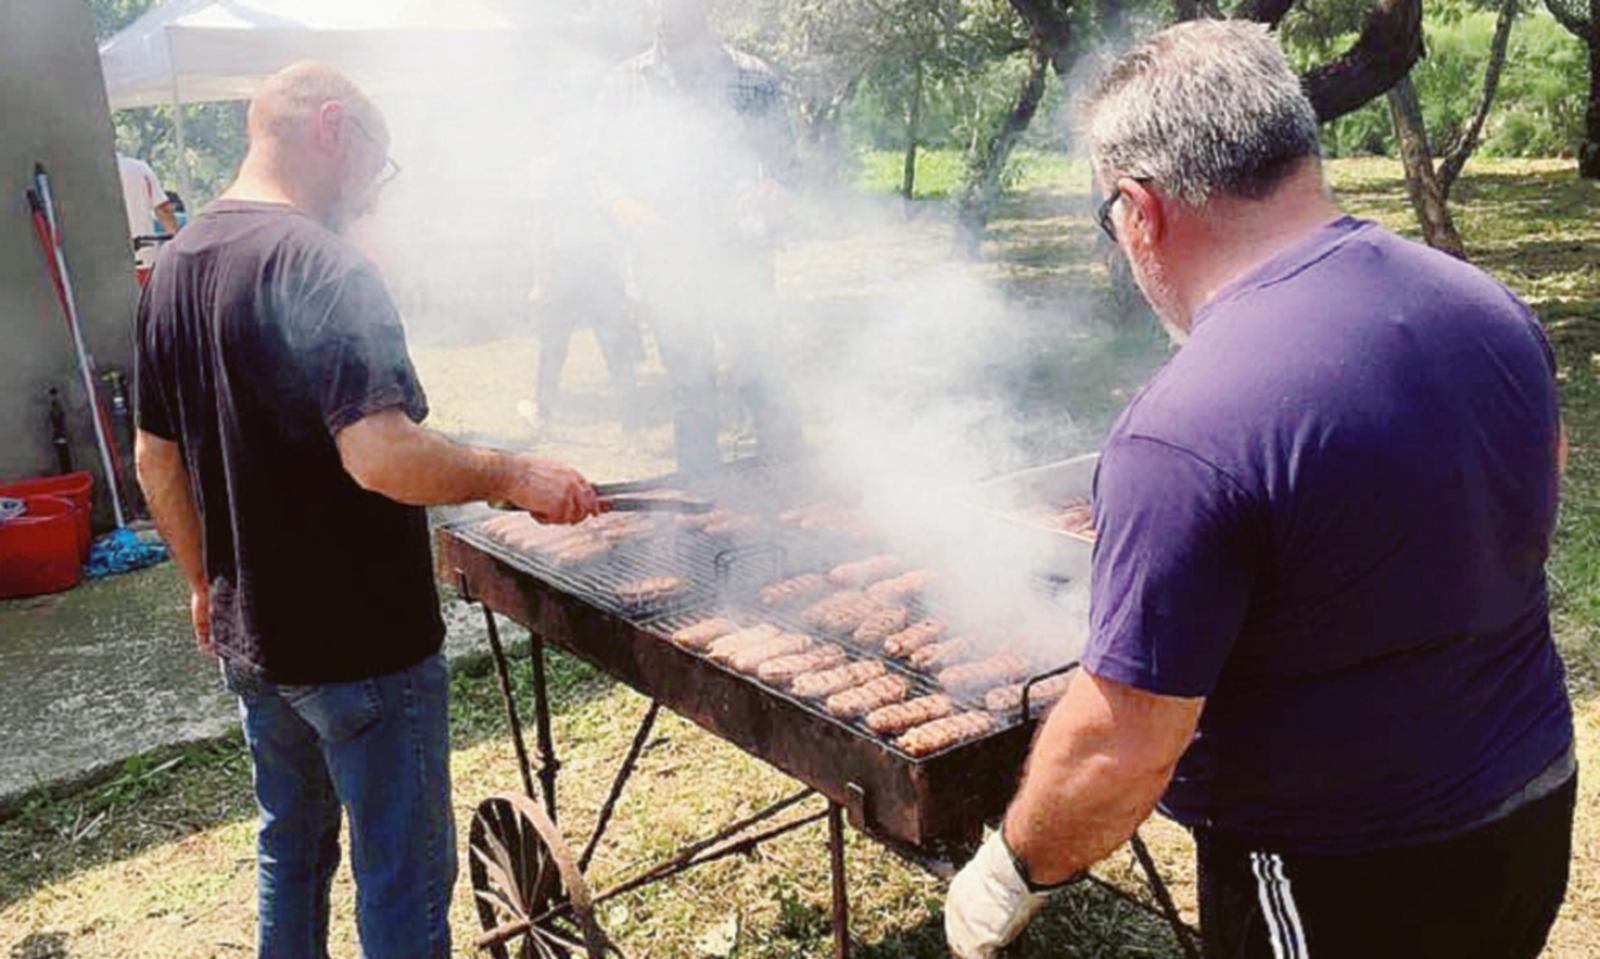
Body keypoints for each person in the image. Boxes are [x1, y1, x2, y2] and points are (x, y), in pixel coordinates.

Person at [945, 22, 1573, 959]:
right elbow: (1535, 494)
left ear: (1138, 210)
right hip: (1531, 803)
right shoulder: (1484, 304)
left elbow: (1125, 747)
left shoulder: (1185, 429)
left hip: (1344, 871)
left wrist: (1010, 872)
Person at [133, 62, 600, 959]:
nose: (372, 198)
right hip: (362, 650)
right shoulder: (325, 263)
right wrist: (515, 474)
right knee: (402, 877)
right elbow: (381, 454)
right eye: (375, 170)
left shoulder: (177, 262)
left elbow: (155, 458)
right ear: (332, 128)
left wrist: (203, 581)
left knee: (292, 854)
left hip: (255, 642)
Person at [594, 0, 801, 470]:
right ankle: (703, 496)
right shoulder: (624, 83)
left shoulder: (753, 77)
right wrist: (625, 207)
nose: (662, 10)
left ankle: (789, 485)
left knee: (761, 373)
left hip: (741, 257)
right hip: (664, 262)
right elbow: (599, 174)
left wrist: (775, 190)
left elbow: (787, 167)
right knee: (689, 386)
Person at [117, 151, 179, 268]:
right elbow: (164, 211)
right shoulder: (140, 169)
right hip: (144, 258)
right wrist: (178, 245)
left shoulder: (85, 175)